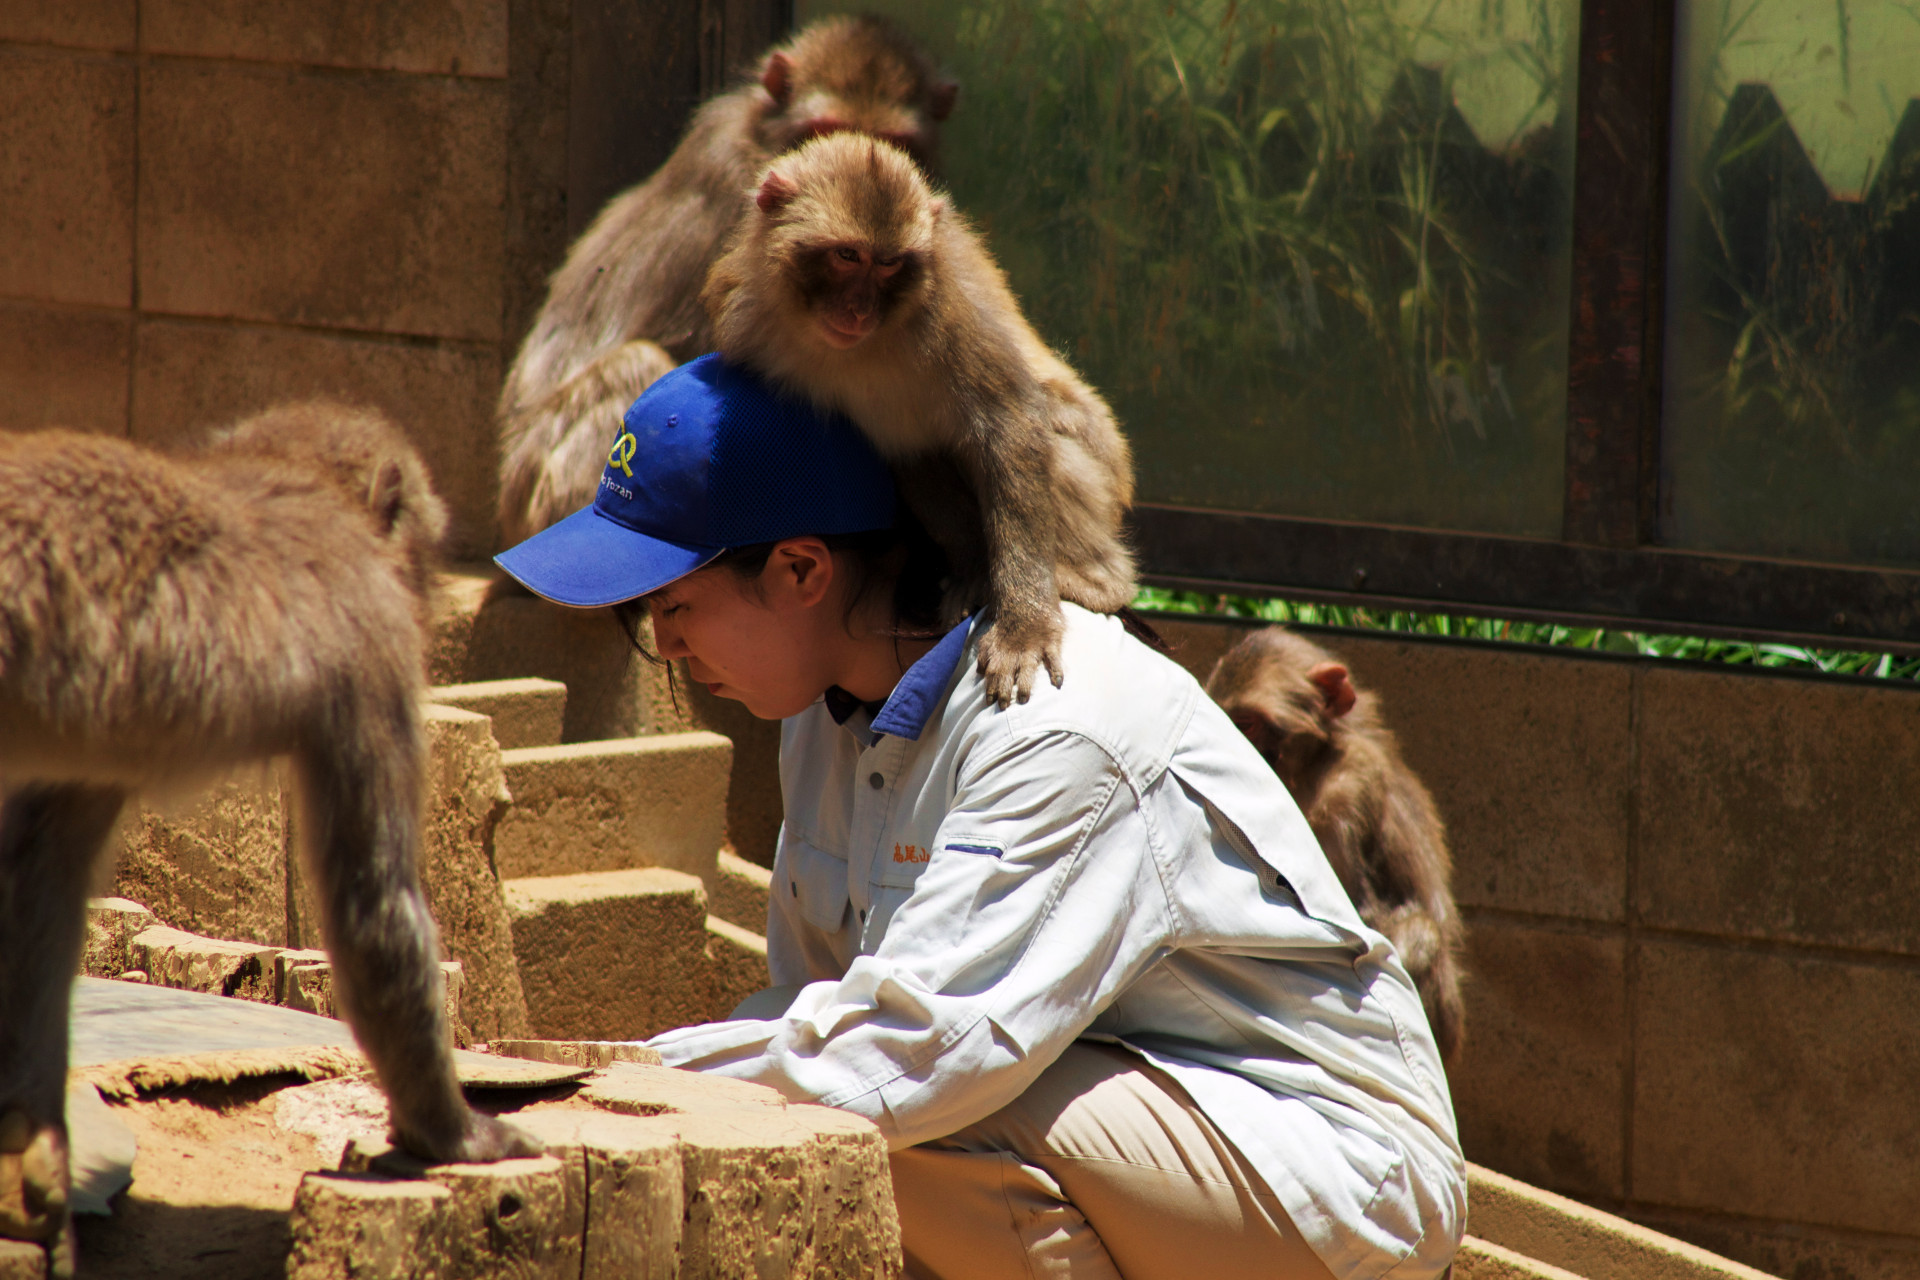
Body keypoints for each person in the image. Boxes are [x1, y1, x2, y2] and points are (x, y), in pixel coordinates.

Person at [496, 354, 1466, 1280]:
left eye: (671, 604)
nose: (661, 645)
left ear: (800, 570)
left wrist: (600, 1078)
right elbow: (818, 1014)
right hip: (1139, 1125)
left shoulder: (1058, 718)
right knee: (857, 1095)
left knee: (918, 1106)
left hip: (1338, 1167)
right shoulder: (820, 715)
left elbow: (913, 1054)